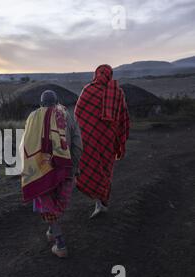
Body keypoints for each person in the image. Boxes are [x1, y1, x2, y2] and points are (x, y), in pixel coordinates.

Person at [20, 90, 82, 258]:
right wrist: (73, 169)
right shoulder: (67, 115)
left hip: (42, 170)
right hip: (64, 168)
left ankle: (60, 243)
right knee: (57, 204)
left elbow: (25, 144)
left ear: (41, 104)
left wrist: (28, 168)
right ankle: (51, 230)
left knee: (48, 206)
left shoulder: (33, 117)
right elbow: (77, 144)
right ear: (58, 102)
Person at [74, 64, 130, 219]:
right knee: (105, 170)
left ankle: (100, 203)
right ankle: (102, 203)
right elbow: (123, 118)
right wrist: (120, 137)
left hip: (90, 139)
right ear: (110, 75)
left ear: (97, 74)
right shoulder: (117, 93)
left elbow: (78, 114)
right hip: (109, 140)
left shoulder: (88, 90)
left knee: (93, 168)